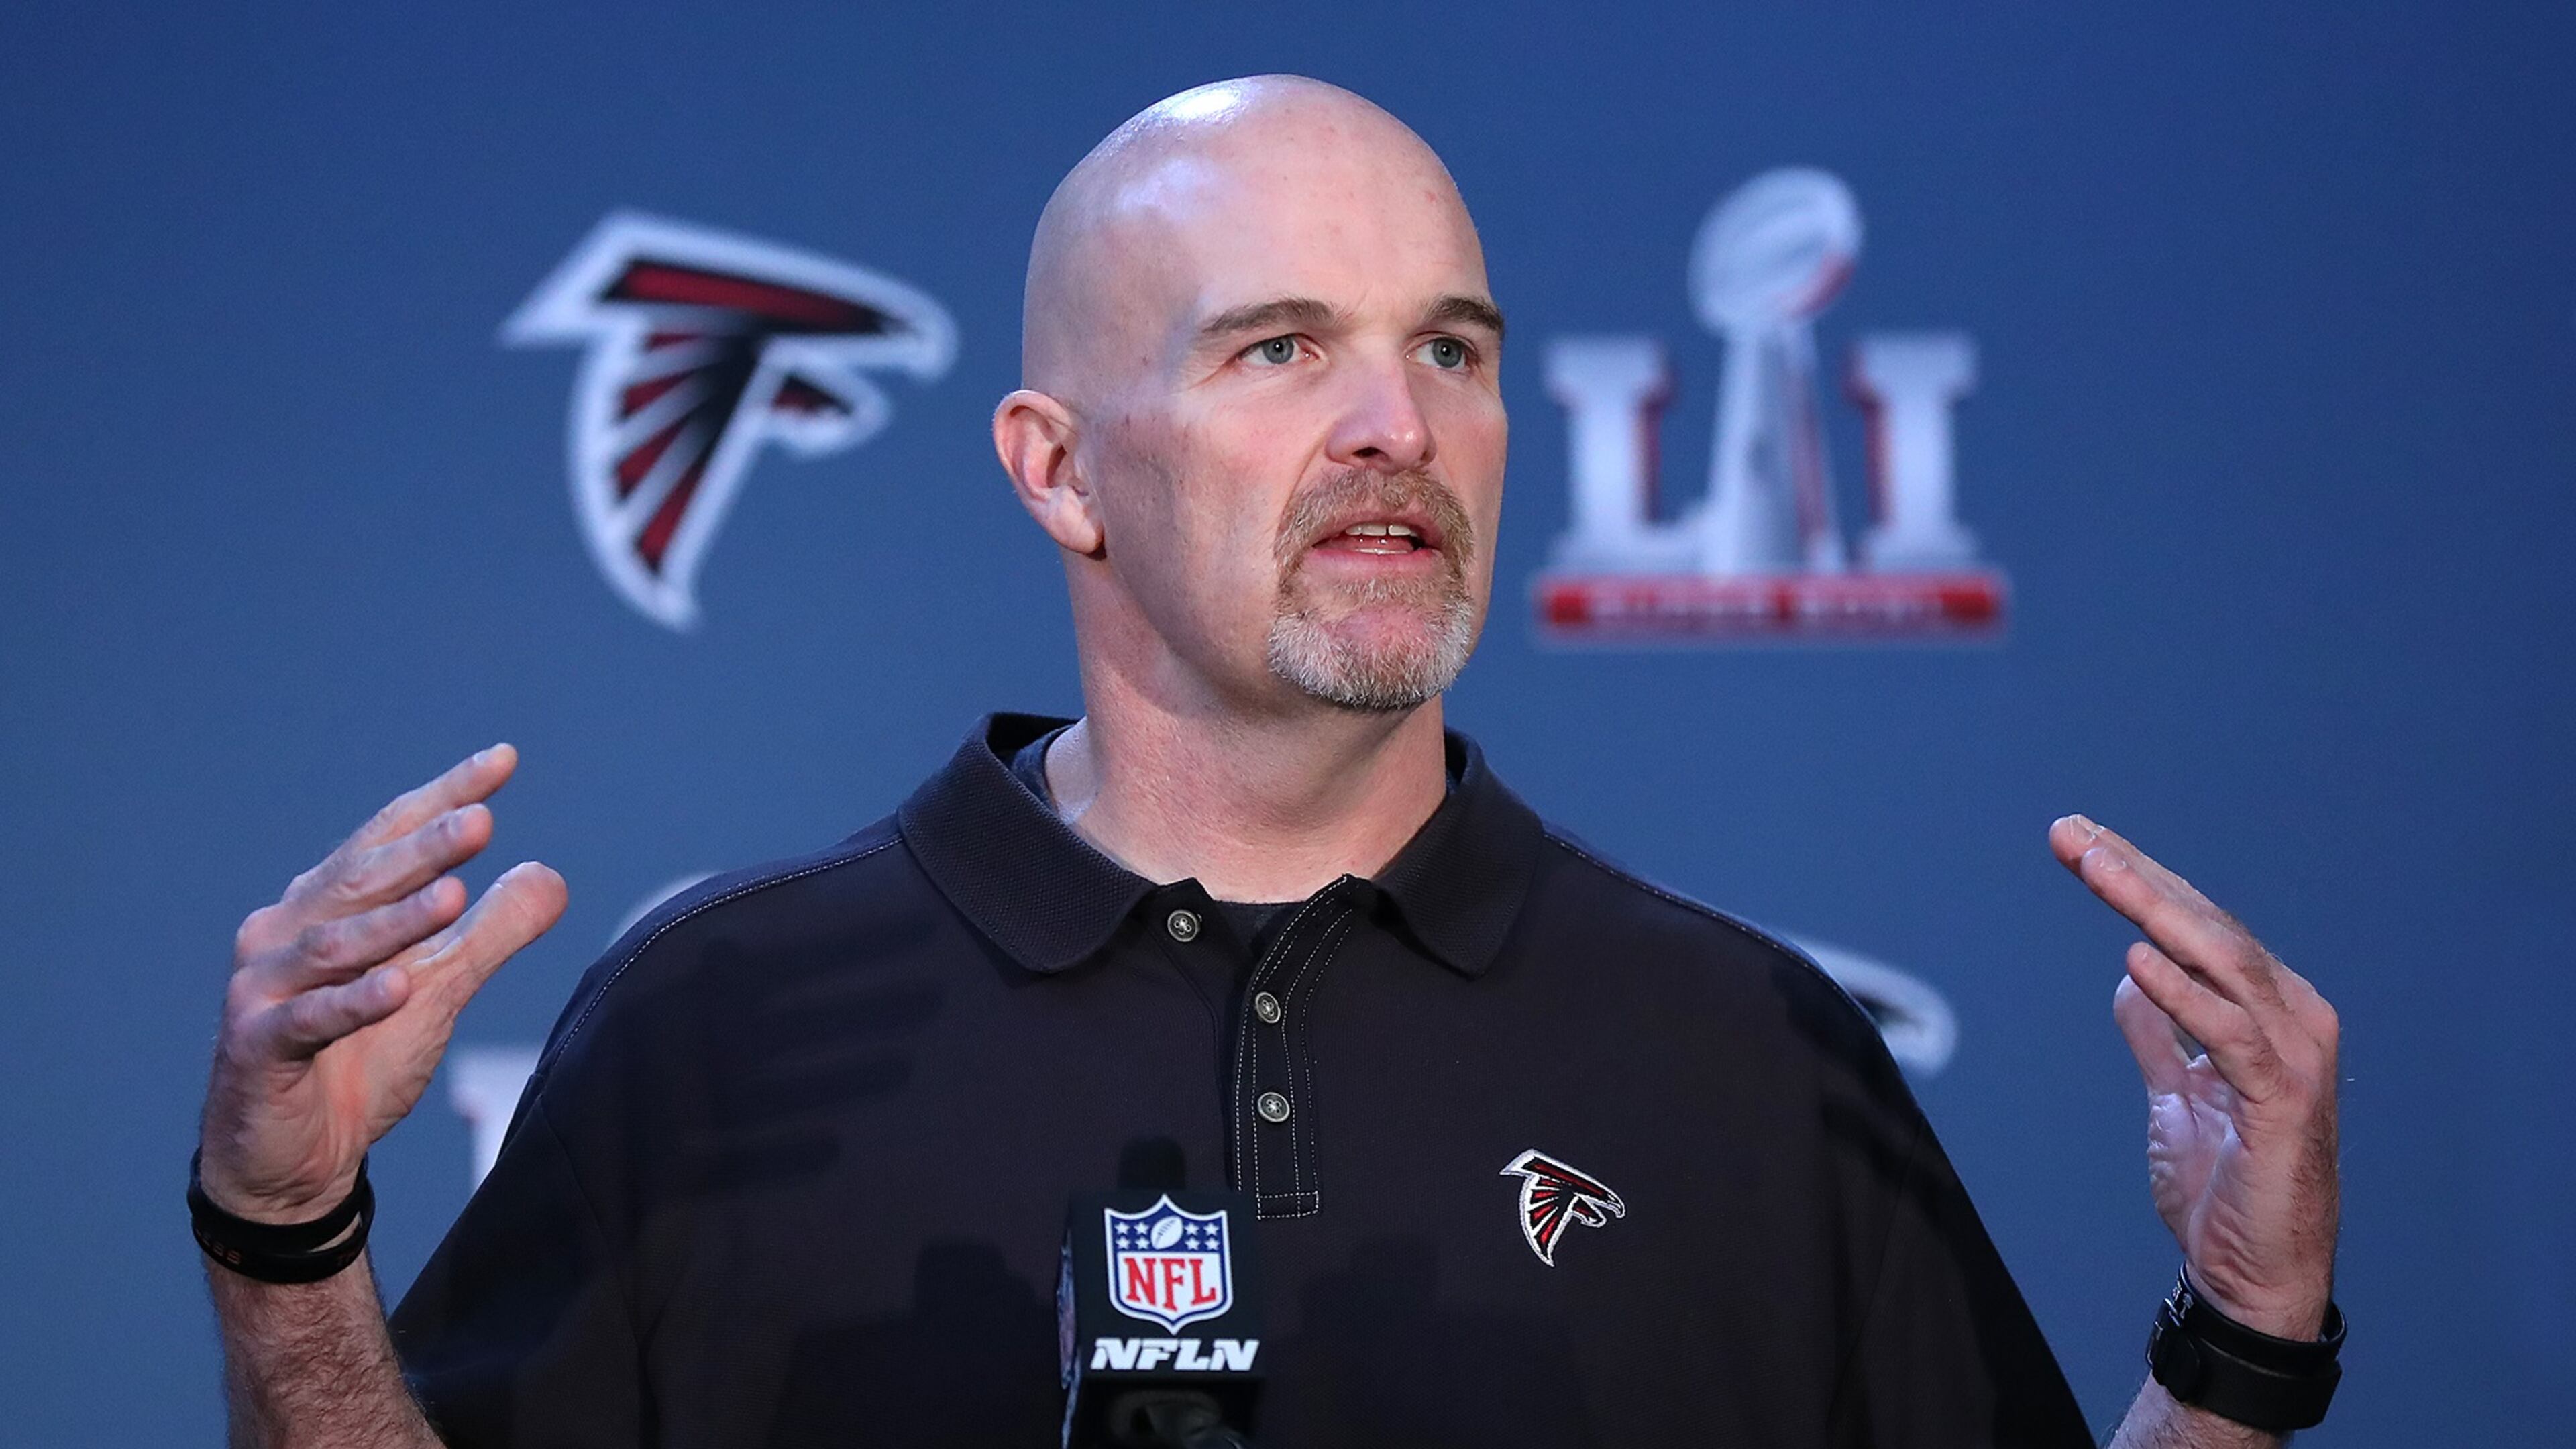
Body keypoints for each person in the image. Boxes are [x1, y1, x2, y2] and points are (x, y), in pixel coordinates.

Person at [195, 77, 2342, 1447]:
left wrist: (2239, 1343)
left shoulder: (1743, 1050)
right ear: (1058, 469)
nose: (1396, 425)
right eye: (1282, 347)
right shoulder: (717, 1026)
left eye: (1454, 350)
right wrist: (288, 1241)